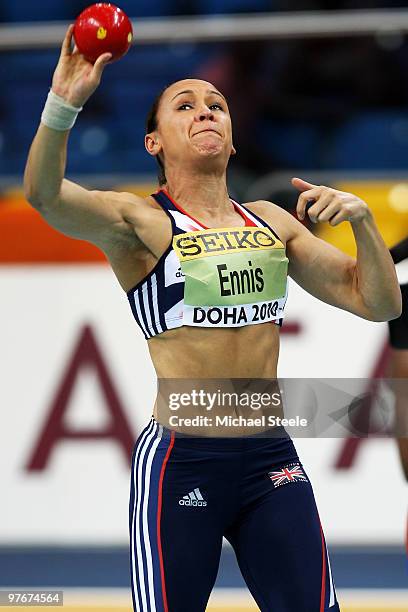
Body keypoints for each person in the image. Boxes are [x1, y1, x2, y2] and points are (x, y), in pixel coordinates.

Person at [23, 25, 401, 612]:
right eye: (186, 105)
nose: (207, 112)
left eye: (218, 106)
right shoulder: (138, 223)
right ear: (153, 143)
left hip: (270, 458)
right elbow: (44, 196)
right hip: (181, 458)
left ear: (233, 140)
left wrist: (363, 223)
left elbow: (377, 302)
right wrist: (62, 105)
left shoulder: (271, 221)